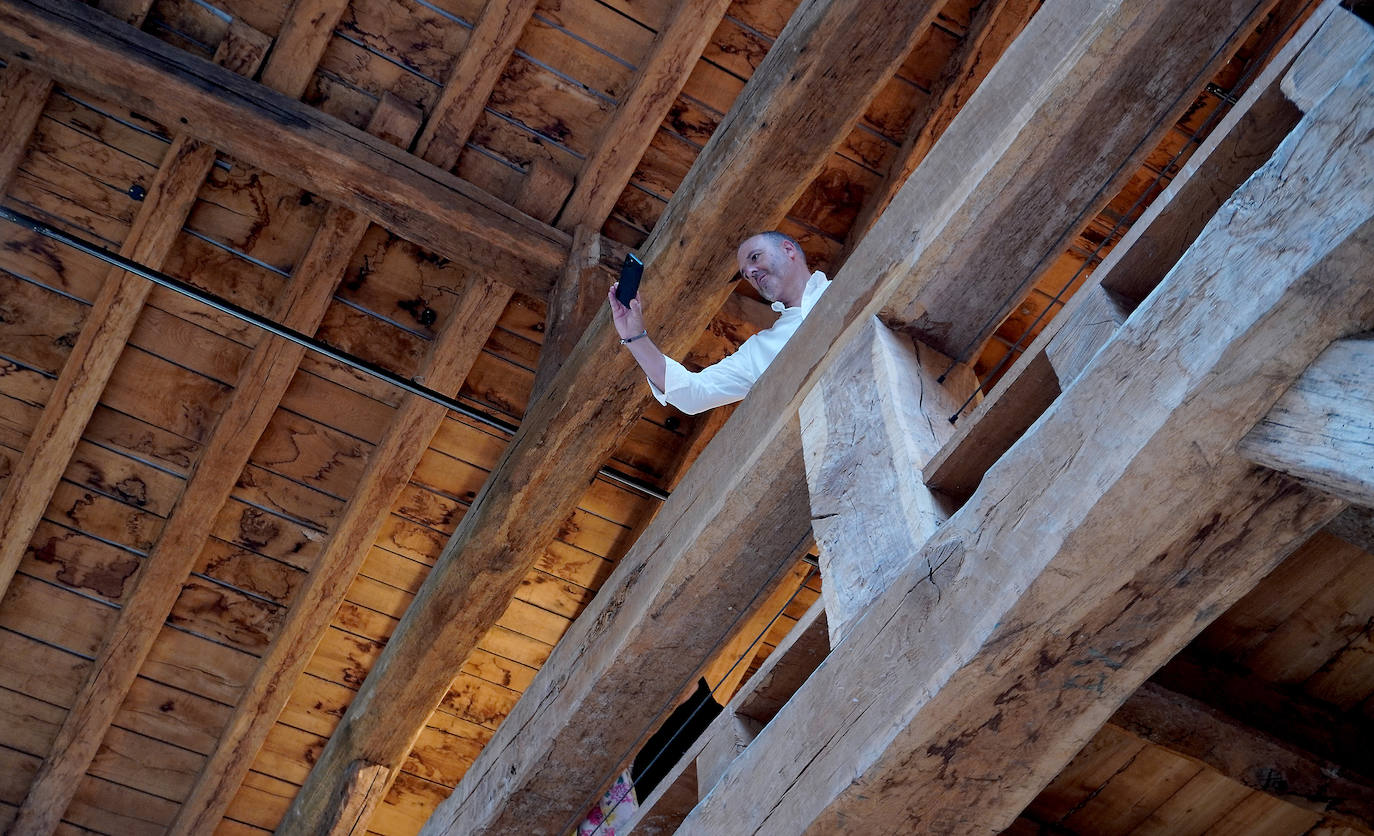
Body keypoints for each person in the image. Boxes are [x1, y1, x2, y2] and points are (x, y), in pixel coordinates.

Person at [608, 230, 830, 414]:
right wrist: (635, 337)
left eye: (755, 257)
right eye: (745, 275)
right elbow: (695, 394)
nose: (751, 272)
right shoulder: (760, 350)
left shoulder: (851, 279)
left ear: (788, 250)